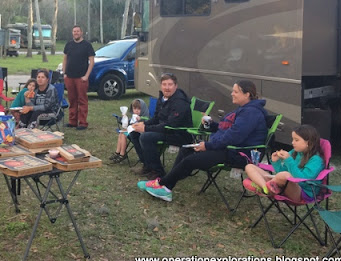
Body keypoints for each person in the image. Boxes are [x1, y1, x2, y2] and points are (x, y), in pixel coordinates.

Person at [138, 80, 268, 202]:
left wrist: (208, 145)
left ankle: (163, 185)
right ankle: (166, 185)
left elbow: (233, 137)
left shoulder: (251, 113)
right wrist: (210, 124)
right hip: (229, 149)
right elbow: (225, 129)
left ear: (247, 94)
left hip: (239, 154)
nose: (232, 94)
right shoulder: (244, 109)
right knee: (187, 149)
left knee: (190, 160)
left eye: (235, 91)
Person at [128, 73, 193, 179]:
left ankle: (158, 171)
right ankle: (147, 166)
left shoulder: (180, 102)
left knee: (146, 137)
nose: (167, 88)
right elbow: (156, 118)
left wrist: (146, 128)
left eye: (170, 84)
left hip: (178, 133)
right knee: (134, 132)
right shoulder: (163, 98)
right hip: (166, 130)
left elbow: (170, 124)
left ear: (175, 86)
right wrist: (143, 124)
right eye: (164, 84)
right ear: (161, 86)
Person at [243, 124, 324, 200]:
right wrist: (276, 162)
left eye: (296, 140)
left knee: (285, 175)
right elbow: (281, 172)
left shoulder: (316, 160)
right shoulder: (294, 153)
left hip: (303, 193)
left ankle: (263, 186)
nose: (292, 142)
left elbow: (302, 181)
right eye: (293, 139)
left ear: (308, 143)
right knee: (250, 167)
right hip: (284, 185)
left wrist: (289, 160)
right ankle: (265, 188)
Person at [62, 25, 95, 130]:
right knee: (72, 100)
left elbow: (92, 62)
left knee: (82, 100)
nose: (76, 33)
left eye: (77, 31)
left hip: (81, 78)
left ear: (81, 32)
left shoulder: (87, 45)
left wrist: (86, 76)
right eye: (74, 31)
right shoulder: (69, 45)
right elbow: (65, 59)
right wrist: (64, 73)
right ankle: (72, 121)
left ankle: (83, 123)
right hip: (69, 77)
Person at [109, 98, 148, 164]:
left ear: (143, 109)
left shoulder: (145, 116)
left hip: (139, 133)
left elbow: (147, 119)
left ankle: (122, 154)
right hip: (133, 131)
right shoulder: (134, 116)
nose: (136, 111)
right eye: (135, 109)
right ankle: (117, 152)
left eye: (139, 109)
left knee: (124, 134)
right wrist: (124, 118)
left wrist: (140, 118)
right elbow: (130, 122)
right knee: (121, 133)